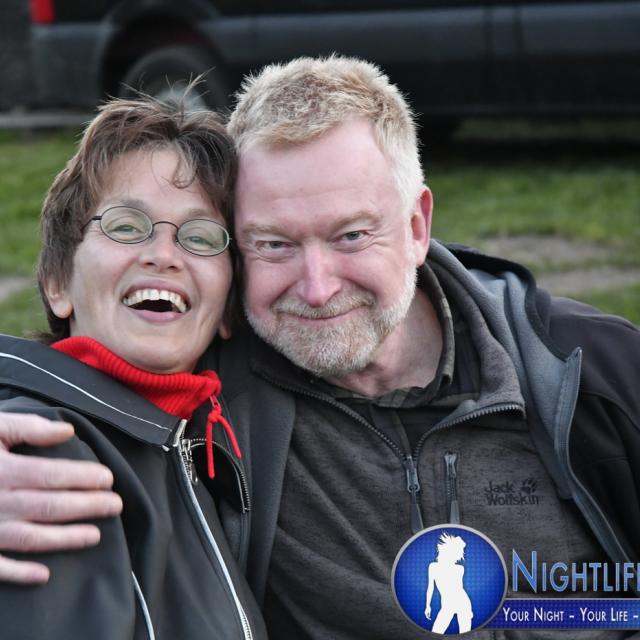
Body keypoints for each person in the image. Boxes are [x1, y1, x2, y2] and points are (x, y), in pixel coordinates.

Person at [1, 56, 639, 639]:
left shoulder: (592, 374)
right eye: (273, 244)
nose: (316, 287)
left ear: (416, 226)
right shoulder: (216, 401)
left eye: (351, 235)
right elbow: (87, 374)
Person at [0, 93, 266, 639]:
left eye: (200, 237)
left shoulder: (197, 450)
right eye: (125, 226)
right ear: (57, 283)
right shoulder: (41, 451)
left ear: (226, 311)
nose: (164, 254)